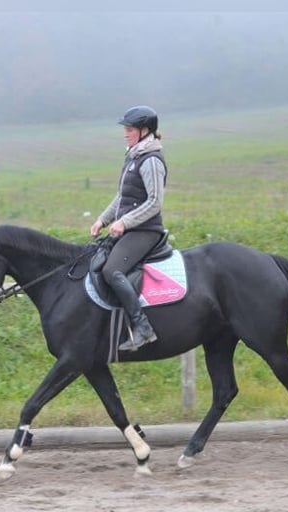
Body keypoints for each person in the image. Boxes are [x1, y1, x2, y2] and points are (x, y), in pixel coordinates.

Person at [90, 105, 168, 352]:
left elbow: (154, 202)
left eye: (130, 129)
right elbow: (122, 196)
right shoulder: (133, 157)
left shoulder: (151, 160)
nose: (125, 133)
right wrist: (102, 219)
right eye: (125, 128)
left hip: (146, 231)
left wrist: (125, 222)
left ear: (145, 131)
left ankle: (142, 327)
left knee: (113, 270)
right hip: (131, 229)